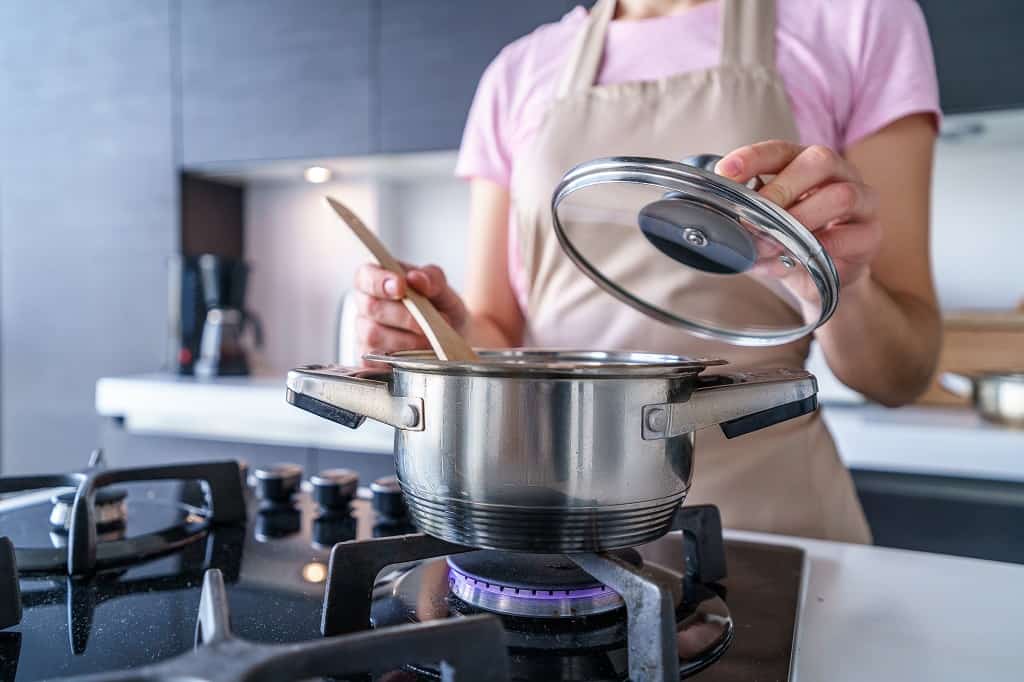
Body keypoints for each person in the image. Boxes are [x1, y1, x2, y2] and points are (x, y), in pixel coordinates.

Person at [351, 0, 942, 543]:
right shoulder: (518, 71)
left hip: (777, 523)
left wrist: (841, 281)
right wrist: (435, 329)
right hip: (557, 525)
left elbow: (900, 376)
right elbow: (495, 339)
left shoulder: (857, 19)